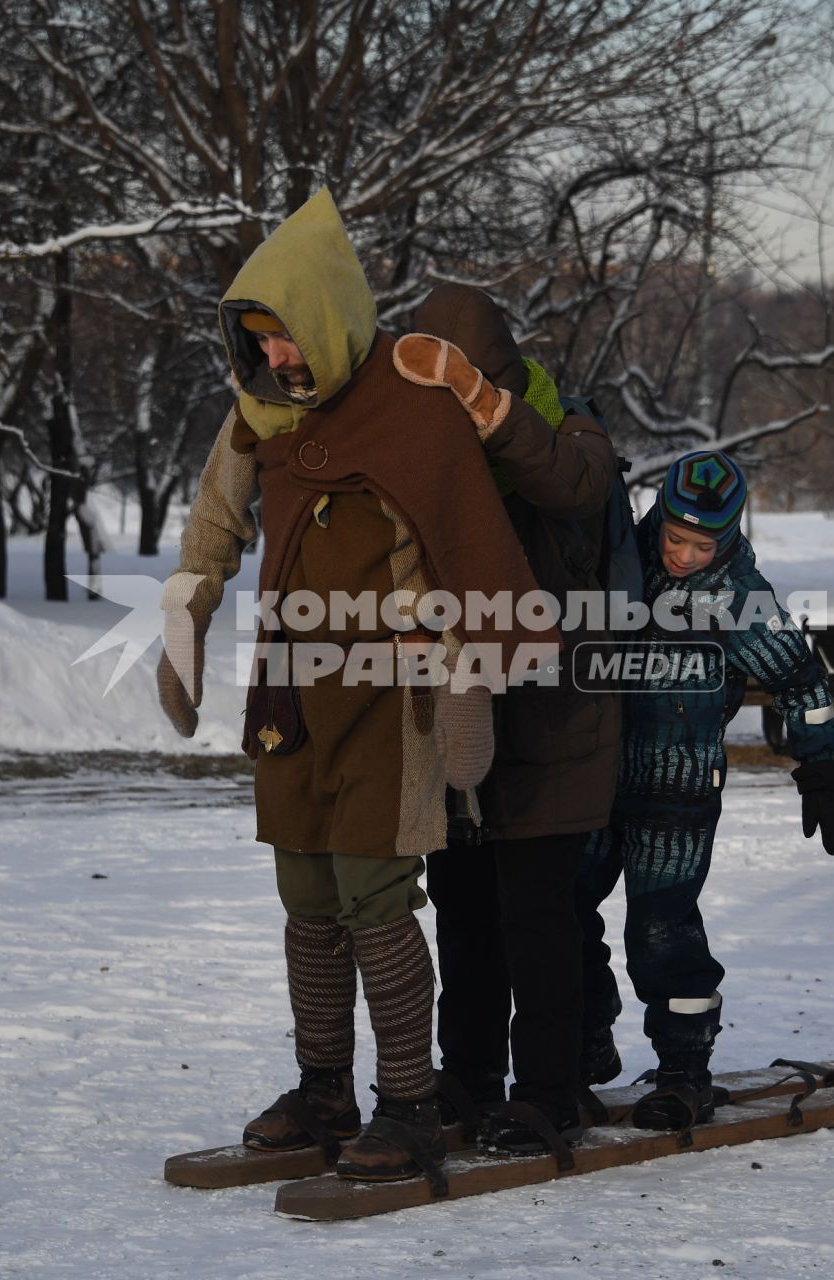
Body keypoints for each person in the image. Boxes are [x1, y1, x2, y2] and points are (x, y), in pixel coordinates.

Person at [153, 190, 549, 1184]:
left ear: (327, 317)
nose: (278, 360)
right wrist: (185, 619)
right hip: (294, 691)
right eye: (258, 343)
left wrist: (466, 685)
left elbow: (459, 541)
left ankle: (409, 1102)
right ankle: (323, 1084)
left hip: (394, 692)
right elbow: (215, 519)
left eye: (288, 338)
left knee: (376, 895)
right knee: (306, 893)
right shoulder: (259, 415)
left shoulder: (414, 408)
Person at [402, 285, 623, 1156]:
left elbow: (573, 488)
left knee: (539, 919)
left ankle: (548, 1090)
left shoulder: (569, 429)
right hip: (460, 726)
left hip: (557, 725)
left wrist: (486, 409)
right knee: (460, 911)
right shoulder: (430, 452)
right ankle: (468, 1077)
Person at [575, 449, 834, 1131]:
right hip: (596, 783)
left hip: (680, 793)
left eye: (702, 545)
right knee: (560, 912)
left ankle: (682, 1074)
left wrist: (819, 772)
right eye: (675, 538)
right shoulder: (623, 563)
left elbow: (803, 684)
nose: (685, 555)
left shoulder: (739, 597)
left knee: (662, 934)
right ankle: (585, 1039)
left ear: (725, 539)